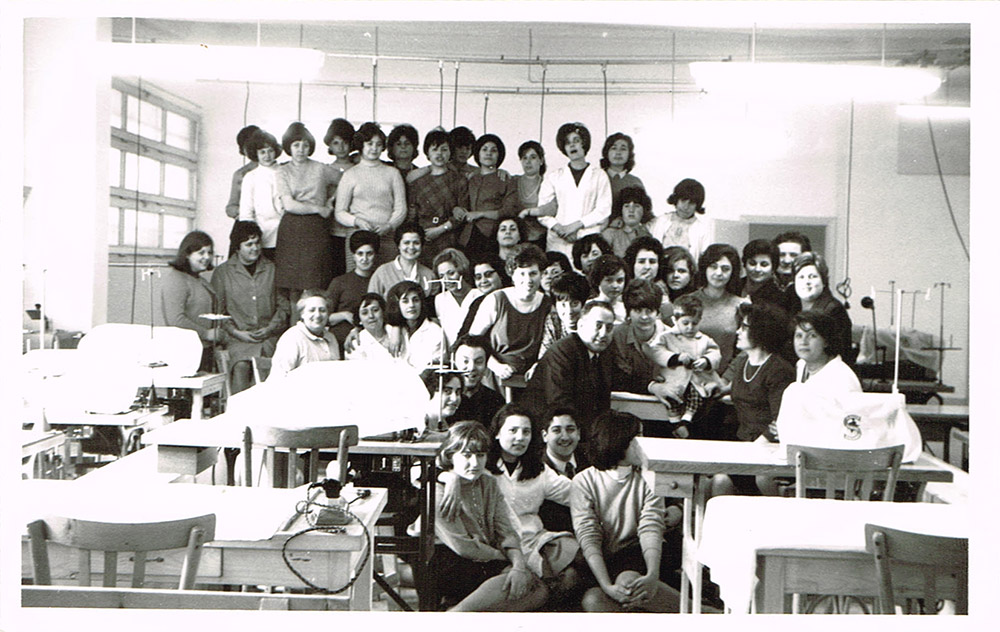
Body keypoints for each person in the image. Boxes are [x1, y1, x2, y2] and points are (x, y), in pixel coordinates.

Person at [430, 421, 549, 611]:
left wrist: (518, 565)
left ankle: (460, 614)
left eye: (480, 455)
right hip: (449, 562)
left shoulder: (488, 483)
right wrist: (504, 559)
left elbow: (506, 531)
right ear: (450, 456)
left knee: (538, 590)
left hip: (484, 558)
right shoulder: (438, 490)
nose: (475, 463)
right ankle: (455, 616)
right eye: (466, 455)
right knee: (519, 585)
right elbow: (462, 546)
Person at [571, 410, 681, 613]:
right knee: (593, 601)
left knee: (629, 581)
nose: (645, 443)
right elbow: (588, 535)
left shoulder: (649, 478)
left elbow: (651, 528)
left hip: (639, 555)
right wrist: (606, 586)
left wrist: (652, 575)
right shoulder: (583, 481)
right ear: (618, 441)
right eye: (638, 437)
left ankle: (703, 612)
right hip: (601, 561)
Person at [469, 405, 580, 595]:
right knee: (535, 587)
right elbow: (444, 468)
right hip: (497, 545)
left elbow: (575, 493)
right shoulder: (480, 465)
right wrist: (447, 478)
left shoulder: (538, 469)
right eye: (513, 430)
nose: (520, 438)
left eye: (526, 432)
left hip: (534, 540)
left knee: (577, 566)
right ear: (497, 433)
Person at [523, 300, 658, 438]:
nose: (603, 333)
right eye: (598, 326)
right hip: (548, 433)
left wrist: (653, 386)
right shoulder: (562, 352)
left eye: (609, 328)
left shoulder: (603, 352)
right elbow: (560, 405)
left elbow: (623, 379)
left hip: (580, 431)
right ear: (581, 325)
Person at [210, 221, 288, 393]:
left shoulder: (272, 269)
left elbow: (283, 307)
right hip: (238, 339)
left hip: (268, 337)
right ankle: (239, 410)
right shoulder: (222, 273)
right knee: (241, 366)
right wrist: (237, 333)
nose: (255, 248)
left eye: (257, 243)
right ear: (237, 248)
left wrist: (269, 329)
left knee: (268, 368)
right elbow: (218, 313)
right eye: (249, 244)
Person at [274, 122, 341, 310]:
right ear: (288, 147)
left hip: (316, 229)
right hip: (292, 229)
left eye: (305, 145)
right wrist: (318, 208)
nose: (301, 149)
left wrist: (330, 202)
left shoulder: (321, 168)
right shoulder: (282, 171)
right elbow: (289, 204)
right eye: (296, 145)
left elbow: (345, 180)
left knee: (315, 282)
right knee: (292, 286)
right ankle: (295, 326)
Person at [467, 244, 553, 379]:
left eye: (533, 273)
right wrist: (495, 366)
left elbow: (551, 343)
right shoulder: (496, 300)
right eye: (522, 274)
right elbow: (472, 342)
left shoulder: (547, 303)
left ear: (541, 274)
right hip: (496, 376)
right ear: (512, 275)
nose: (528, 280)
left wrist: (539, 366)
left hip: (532, 377)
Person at [647, 294, 724, 437]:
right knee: (672, 396)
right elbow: (656, 351)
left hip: (696, 379)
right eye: (685, 323)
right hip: (674, 378)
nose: (690, 328)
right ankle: (675, 422)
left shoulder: (704, 339)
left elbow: (715, 353)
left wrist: (706, 361)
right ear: (675, 320)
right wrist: (675, 358)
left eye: (694, 323)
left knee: (699, 396)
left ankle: (686, 420)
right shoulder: (666, 336)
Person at [334, 122, 407, 269]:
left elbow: (401, 209)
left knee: (387, 276)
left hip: (386, 236)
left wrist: (389, 225)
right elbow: (340, 212)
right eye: (370, 144)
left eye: (378, 144)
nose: (374, 148)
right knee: (357, 278)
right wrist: (357, 221)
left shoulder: (393, 173)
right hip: (358, 237)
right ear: (361, 145)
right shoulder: (350, 175)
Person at [533, 122, 612, 257]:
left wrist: (576, 227)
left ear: (584, 144)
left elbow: (603, 210)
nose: (572, 145)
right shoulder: (554, 176)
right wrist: (560, 229)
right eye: (567, 143)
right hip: (558, 241)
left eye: (576, 141)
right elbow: (543, 211)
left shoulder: (599, 175)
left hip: (587, 238)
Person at [720, 302, 796, 443]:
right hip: (744, 439)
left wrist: (756, 447)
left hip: (768, 445)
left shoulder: (779, 370)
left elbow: (779, 421)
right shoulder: (742, 362)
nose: (738, 332)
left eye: (744, 327)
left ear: (761, 331)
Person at [406, 129, 469, 264]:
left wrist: (441, 229)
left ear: (450, 153)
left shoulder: (459, 180)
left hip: (449, 237)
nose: (439, 153)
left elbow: (462, 212)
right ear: (427, 153)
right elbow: (412, 215)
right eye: (434, 149)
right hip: (423, 238)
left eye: (444, 149)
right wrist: (419, 233)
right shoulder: (417, 183)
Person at [160, 230, 218, 373]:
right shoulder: (176, 279)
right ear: (187, 254)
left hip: (204, 348)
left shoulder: (199, 280)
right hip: (186, 351)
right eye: (201, 252)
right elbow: (176, 320)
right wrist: (206, 334)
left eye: (209, 252)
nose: (207, 257)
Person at [689, 243, 744, 373]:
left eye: (725, 269)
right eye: (713, 267)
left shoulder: (740, 305)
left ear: (732, 272)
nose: (719, 273)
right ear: (705, 268)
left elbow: (744, 351)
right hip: (688, 375)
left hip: (723, 377)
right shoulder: (688, 301)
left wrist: (726, 379)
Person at [462, 134, 519, 257]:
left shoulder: (506, 179)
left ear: (499, 155)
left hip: (493, 234)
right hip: (468, 235)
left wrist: (481, 214)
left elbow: (509, 211)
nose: (488, 153)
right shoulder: (471, 178)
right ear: (477, 153)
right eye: (484, 149)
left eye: (493, 150)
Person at [792, 251, 854, 364]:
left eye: (813, 277)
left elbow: (838, 353)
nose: (807, 282)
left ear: (824, 281)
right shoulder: (794, 306)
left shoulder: (833, 310)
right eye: (801, 277)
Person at [269, 290, 341, 380]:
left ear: (328, 314)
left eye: (322, 310)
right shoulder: (292, 338)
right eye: (312, 310)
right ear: (302, 314)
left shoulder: (331, 338)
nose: (317, 315)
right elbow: (279, 378)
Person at [325, 230, 379, 347]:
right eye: (360, 254)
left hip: (371, 340)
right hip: (340, 341)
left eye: (369, 254)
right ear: (353, 256)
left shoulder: (379, 280)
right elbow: (324, 317)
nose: (364, 258)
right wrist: (344, 315)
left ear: (375, 255)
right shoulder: (339, 282)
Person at [237, 129, 284, 261]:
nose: (267, 155)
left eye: (270, 151)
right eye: (262, 152)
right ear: (256, 154)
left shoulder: (285, 172)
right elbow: (246, 213)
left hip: (286, 232)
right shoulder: (250, 177)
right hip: (262, 234)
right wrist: (252, 239)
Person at [384, 280, 443, 372]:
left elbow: (434, 367)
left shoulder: (434, 331)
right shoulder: (390, 330)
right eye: (405, 301)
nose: (411, 305)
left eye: (416, 300)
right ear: (397, 305)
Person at [367, 222, 435, 299]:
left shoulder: (429, 275)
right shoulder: (382, 272)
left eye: (416, 243)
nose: (411, 247)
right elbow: (371, 302)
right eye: (406, 243)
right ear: (398, 245)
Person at [452, 334, 506, 427]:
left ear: (486, 365)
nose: (471, 368)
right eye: (465, 361)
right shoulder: (446, 399)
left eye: (478, 362)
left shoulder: (495, 400)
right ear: (453, 362)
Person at [324, 118, 357, 271]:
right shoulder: (325, 170)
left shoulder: (359, 168)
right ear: (330, 145)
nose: (341, 147)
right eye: (336, 143)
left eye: (345, 142)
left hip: (355, 228)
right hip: (333, 230)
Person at [650, 178, 711, 259]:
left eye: (691, 203)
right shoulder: (661, 221)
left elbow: (705, 258)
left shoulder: (702, 229)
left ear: (697, 205)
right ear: (676, 200)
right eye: (683, 201)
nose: (686, 207)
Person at [433, 248, 480, 348]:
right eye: (441, 276)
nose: (446, 280)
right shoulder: (440, 299)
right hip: (451, 353)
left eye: (451, 273)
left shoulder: (479, 295)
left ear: (461, 271)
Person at [538, 272, 590, 361]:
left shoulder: (591, 319)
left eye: (574, 304)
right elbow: (545, 356)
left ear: (584, 304)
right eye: (563, 305)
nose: (569, 311)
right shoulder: (554, 321)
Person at [624, 236, 671, 321]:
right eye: (641, 262)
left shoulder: (663, 290)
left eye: (652, 262)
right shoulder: (623, 288)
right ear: (633, 264)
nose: (647, 267)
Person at [513, 140, 549, 247]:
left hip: (542, 238)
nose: (528, 162)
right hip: (517, 238)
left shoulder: (548, 184)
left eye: (533, 157)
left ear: (541, 161)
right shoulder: (513, 181)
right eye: (524, 158)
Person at [738, 238, 789, 313]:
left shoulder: (780, 298)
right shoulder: (733, 286)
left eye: (764, 264)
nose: (757, 269)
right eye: (752, 263)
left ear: (773, 268)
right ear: (745, 264)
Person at [345, 292, 399, 362]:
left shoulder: (398, 333)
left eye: (375, 310)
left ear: (383, 312)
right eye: (365, 313)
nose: (371, 316)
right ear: (359, 320)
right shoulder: (355, 344)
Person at [601, 186, 653, 259]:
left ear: (644, 210)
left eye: (636, 206)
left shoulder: (647, 235)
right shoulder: (610, 234)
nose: (631, 210)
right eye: (626, 206)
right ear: (621, 210)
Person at [600, 132, 645, 210]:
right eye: (614, 148)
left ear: (629, 154)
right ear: (606, 152)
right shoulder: (597, 178)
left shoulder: (635, 182)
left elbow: (641, 211)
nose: (618, 153)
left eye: (623, 149)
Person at [225, 124, 260, 220]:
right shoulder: (241, 174)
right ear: (243, 150)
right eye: (249, 147)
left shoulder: (279, 169)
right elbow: (230, 208)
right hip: (250, 222)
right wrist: (243, 211)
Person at [587, 254, 628, 324]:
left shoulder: (626, 309)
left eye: (620, 280)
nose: (615, 286)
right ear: (598, 280)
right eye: (609, 280)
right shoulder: (589, 307)